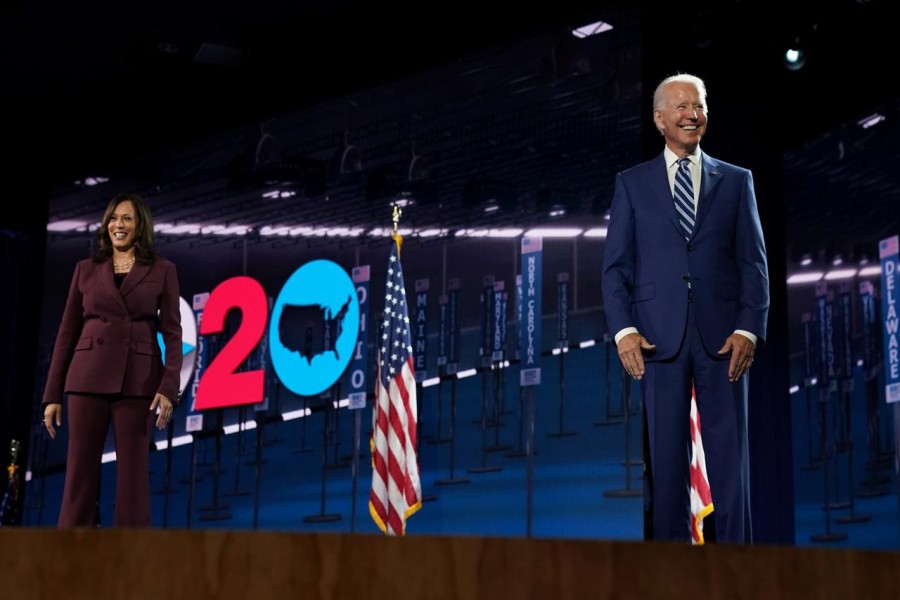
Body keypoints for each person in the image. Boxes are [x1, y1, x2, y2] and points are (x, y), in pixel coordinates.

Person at [601, 73, 769, 544]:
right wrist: (623, 332)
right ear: (660, 119)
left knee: (732, 467)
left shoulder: (737, 181)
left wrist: (749, 329)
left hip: (725, 342)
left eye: (699, 106)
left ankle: (742, 572)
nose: (692, 114)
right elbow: (615, 268)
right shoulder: (631, 184)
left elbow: (754, 263)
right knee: (667, 468)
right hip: (658, 339)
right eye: (681, 107)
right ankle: (671, 578)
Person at [41, 192, 183, 527]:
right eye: (113, 218)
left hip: (138, 381)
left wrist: (168, 387)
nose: (118, 225)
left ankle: (130, 559)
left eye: (127, 219)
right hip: (86, 379)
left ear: (140, 226)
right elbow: (66, 333)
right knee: (79, 472)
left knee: (133, 476)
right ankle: (73, 553)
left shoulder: (163, 270)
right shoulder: (85, 270)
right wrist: (51, 395)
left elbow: (174, 334)